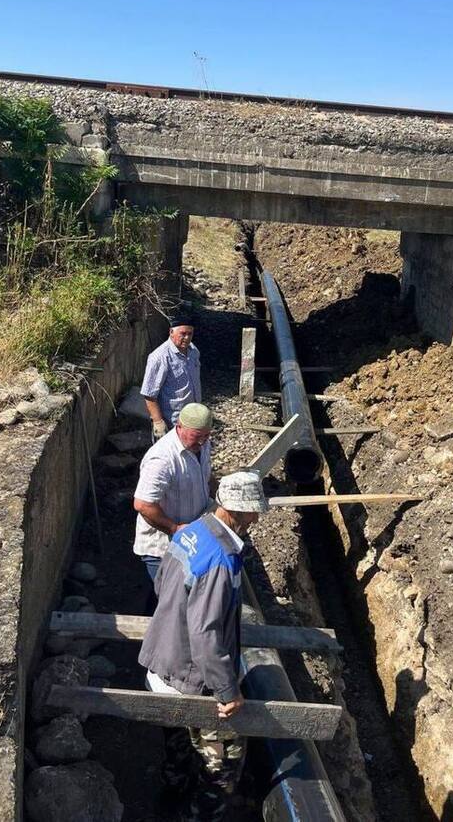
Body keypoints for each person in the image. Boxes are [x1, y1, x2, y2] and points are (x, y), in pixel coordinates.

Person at [139, 471, 268, 821]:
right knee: (223, 764)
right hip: (191, 681)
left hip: (161, 668)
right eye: (252, 511)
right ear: (235, 511)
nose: (256, 518)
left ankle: (171, 798)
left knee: (178, 747)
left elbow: (162, 585)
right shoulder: (220, 560)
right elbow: (206, 633)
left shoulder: (192, 532)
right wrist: (228, 691)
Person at [133, 402, 214, 584]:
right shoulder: (162, 459)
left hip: (191, 541)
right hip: (163, 548)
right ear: (179, 427)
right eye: (197, 436)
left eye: (206, 436)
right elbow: (143, 504)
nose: (202, 441)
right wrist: (174, 529)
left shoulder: (202, 444)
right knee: (168, 601)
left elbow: (206, 475)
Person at [141, 313, 202, 441]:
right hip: (172, 423)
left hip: (192, 418)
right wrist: (158, 422)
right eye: (183, 334)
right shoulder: (160, 357)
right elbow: (149, 393)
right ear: (171, 332)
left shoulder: (193, 352)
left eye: (190, 334)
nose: (186, 338)